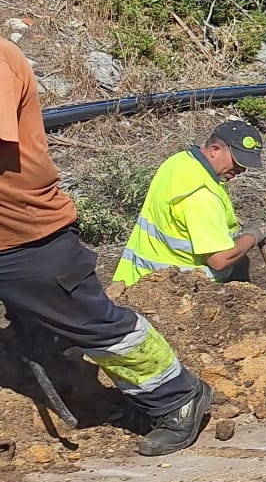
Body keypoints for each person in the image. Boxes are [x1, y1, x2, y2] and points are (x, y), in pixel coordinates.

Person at [0, 37, 215, 456]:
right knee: (44, 332)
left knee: (94, 325)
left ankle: (176, 397)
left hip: (26, 235)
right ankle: (75, 389)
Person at [111, 120, 266, 286]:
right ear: (215, 150)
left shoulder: (180, 162)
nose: (241, 169)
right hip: (177, 289)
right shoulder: (201, 196)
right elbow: (219, 260)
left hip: (139, 277)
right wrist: (252, 236)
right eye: (238, 161)